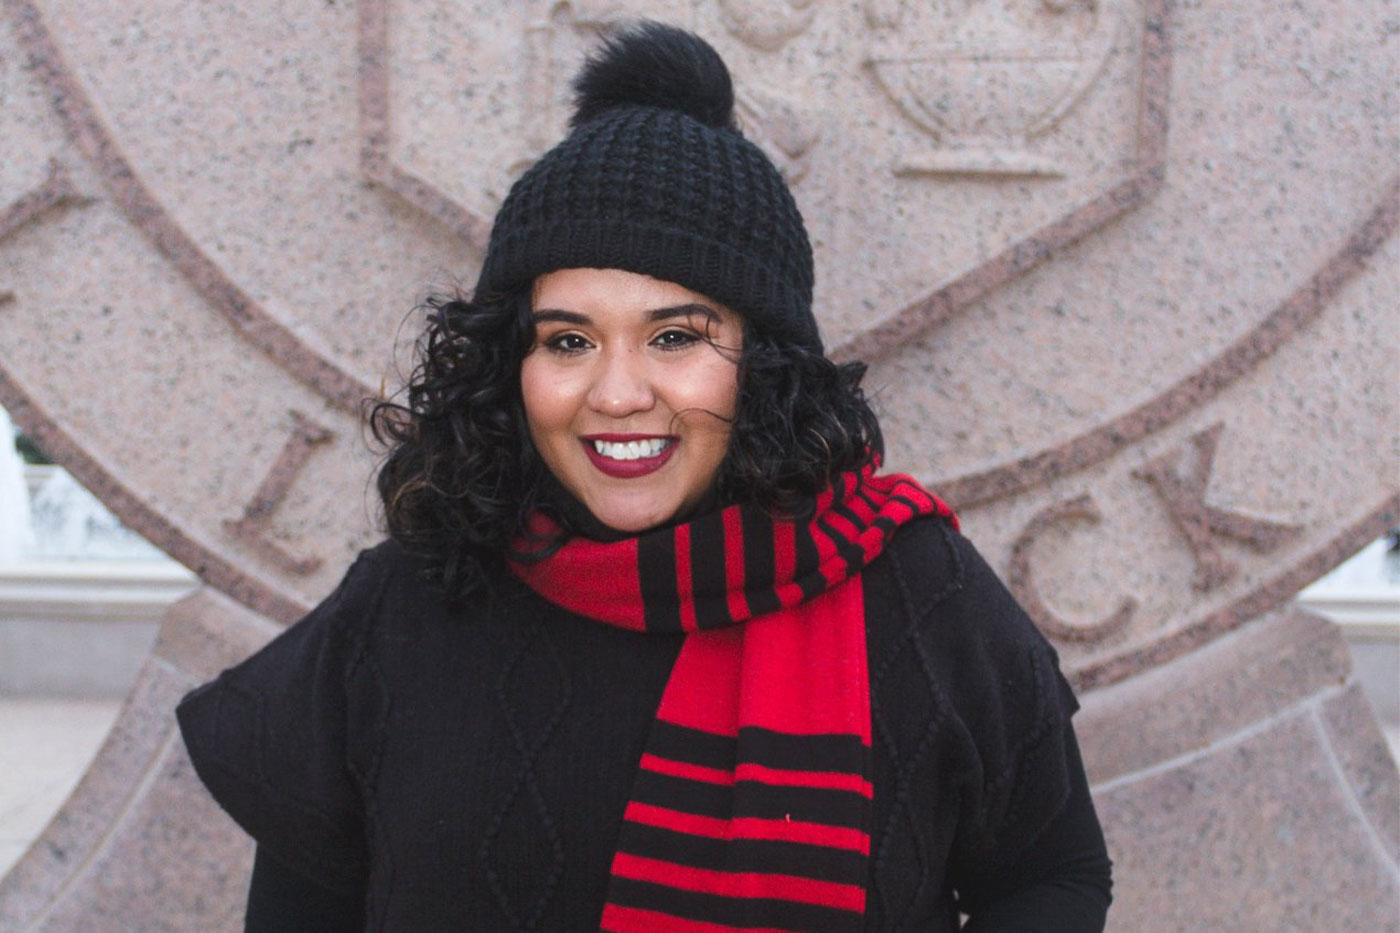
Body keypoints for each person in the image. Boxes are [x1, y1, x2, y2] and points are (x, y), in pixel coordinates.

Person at [177, 22, 1112, 931]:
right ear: (511, 362)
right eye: (569, 340)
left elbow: (1053, 874)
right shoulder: (409, 599)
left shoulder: (918, 596)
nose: (617, 393)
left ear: (762, 359)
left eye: (675, 337)